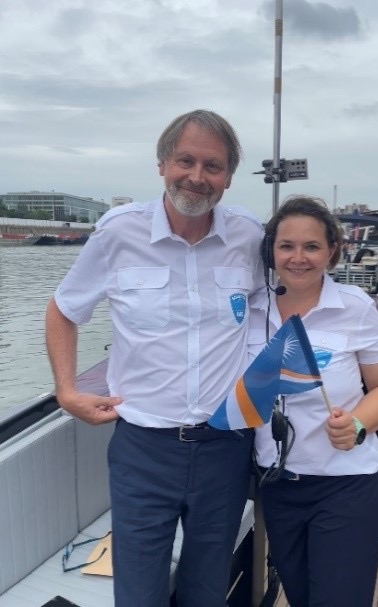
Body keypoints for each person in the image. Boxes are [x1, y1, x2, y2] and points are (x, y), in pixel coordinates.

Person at [45, 109, 265, 607]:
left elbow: (269, 311)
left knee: (207, 590)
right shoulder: (118, 231)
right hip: (143, 449)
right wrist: (66, 391)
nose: (197, 176)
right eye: (185, 160)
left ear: (228, 177)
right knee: (138, 593)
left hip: (225, 447)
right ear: (162, 164)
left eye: (213, 166)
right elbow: (63, 309)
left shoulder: (249, 237)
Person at [250, 195, 378, 607]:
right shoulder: (249, 308)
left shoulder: (355, 307)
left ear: (332, 251)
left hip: (346, 485)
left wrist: (356, 424)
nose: (298, 257)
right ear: (271, 250)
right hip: (279, 484)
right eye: (287, 246)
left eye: (312, 246)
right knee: (300, 597)